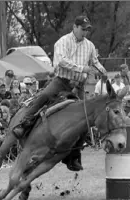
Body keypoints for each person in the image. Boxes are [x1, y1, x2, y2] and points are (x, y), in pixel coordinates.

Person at [12, 15, 108, 172]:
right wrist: (81, 68)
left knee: (86, 118)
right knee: (43, 97)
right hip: (61, 82)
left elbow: (95, 61)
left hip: (79, 85)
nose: (85, 32)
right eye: (82, 29)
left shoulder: (89, 45)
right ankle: (24, 124)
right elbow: (61, 62)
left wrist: (103, 71)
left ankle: (74, 156)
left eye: (87, 30)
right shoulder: (62, 42)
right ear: (75, 27)